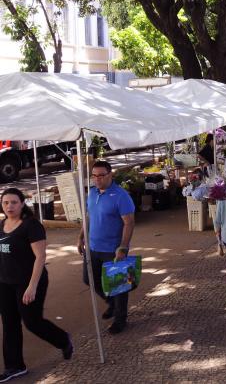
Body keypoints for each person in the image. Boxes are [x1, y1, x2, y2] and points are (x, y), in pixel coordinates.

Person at [0, 188, 72, 382]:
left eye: (14, 202)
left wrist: (32, 286)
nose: (9, 206)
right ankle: (15, 366)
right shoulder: (2, 224)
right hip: (5, 283)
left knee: (32, 321)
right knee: (9, 324)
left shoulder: (31, 226)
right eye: (6, 202)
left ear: (22, 203)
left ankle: (63, 340)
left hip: (30, 281)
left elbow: (40, 257)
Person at [78, 160, 135, 334]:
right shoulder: (93, 194)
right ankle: (111, 302)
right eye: (94, 176)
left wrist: (123, 247)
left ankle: (120, 319)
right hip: (93, 246)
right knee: (89, 279)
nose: (97, 179)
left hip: (113, 249)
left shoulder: (120, 195)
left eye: (101, 175)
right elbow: (88, 217)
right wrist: (81, 237)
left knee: (119, 285)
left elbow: (129, 223)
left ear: (110, 175)